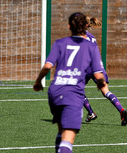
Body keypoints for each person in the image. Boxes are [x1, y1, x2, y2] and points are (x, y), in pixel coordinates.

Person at [33, 12, 106, 153]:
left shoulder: (59, 43)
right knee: (68, 137)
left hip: (55, 91)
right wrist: (101, 83)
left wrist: (38, 82)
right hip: (73, 93)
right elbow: (98, 74)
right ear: (86, 26)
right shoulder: (91, 46)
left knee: (61, 131)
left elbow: (47, 66)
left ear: (68, 26)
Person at [83, 16, 126, 125]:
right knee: (106, 91)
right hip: (98, 66)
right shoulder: (91, 36)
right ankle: (121, 110)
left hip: (88, 67)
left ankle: (91, 113)